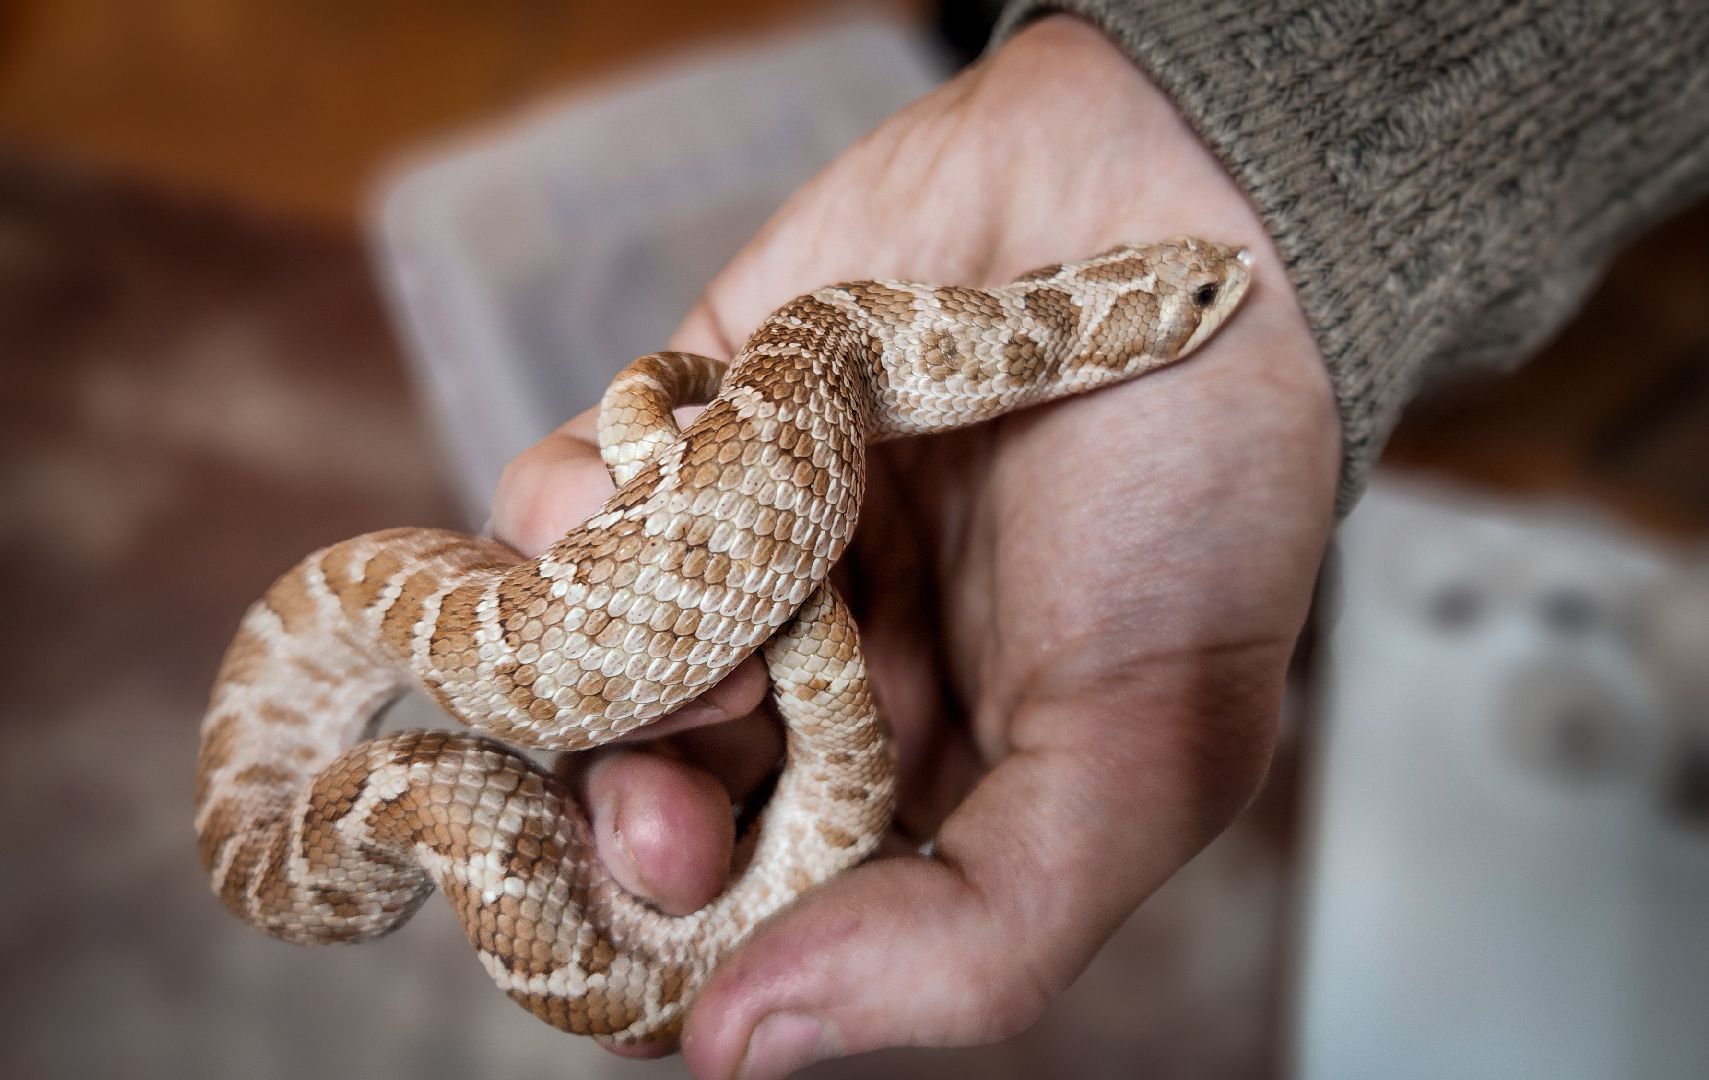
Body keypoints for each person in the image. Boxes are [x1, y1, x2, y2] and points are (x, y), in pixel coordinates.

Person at [488, 5, 1709, 1077]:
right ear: (1114, 310)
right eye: (1188, 300)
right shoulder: (912, 337)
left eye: (1192, 293)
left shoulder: (989, 345)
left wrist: (1223, 172)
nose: (1217, 285)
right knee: (637, 707)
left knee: (661, 721)